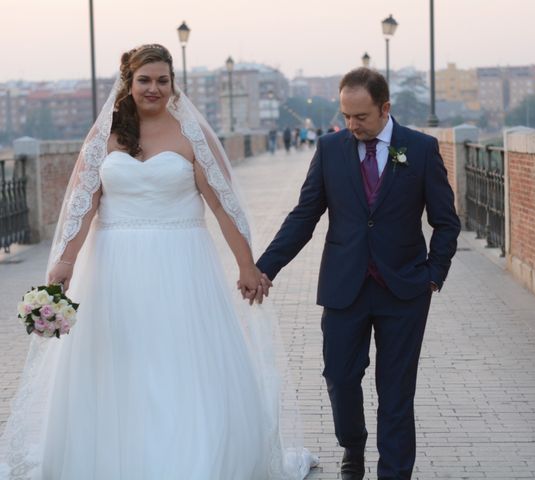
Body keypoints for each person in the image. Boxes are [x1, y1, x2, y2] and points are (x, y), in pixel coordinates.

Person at [0, 44, 317, 480]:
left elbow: (223, 206)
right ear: (128, 84)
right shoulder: (105, 136)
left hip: (182, 265)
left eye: (162, 80)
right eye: (145, 80)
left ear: (173, 83)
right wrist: (65, 262)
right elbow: (82, 203)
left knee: (182, 361)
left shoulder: (191, 135)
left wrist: (246, 265)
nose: (154, 88)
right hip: (115, 269)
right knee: (122, 362)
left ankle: (194, 460)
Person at [256, 67, 461, 480]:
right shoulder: (330, 148)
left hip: (404, 291)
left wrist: (433, 276)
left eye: (361, 117)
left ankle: (394, 472)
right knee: (339, 376)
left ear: (385, 108)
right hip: (344, 287)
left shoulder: (420, 149)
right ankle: (353, 444)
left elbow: (446, 221)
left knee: (397, 391)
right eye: (346, 116)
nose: (352, 125)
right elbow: (304, 216)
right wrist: (264, 268)